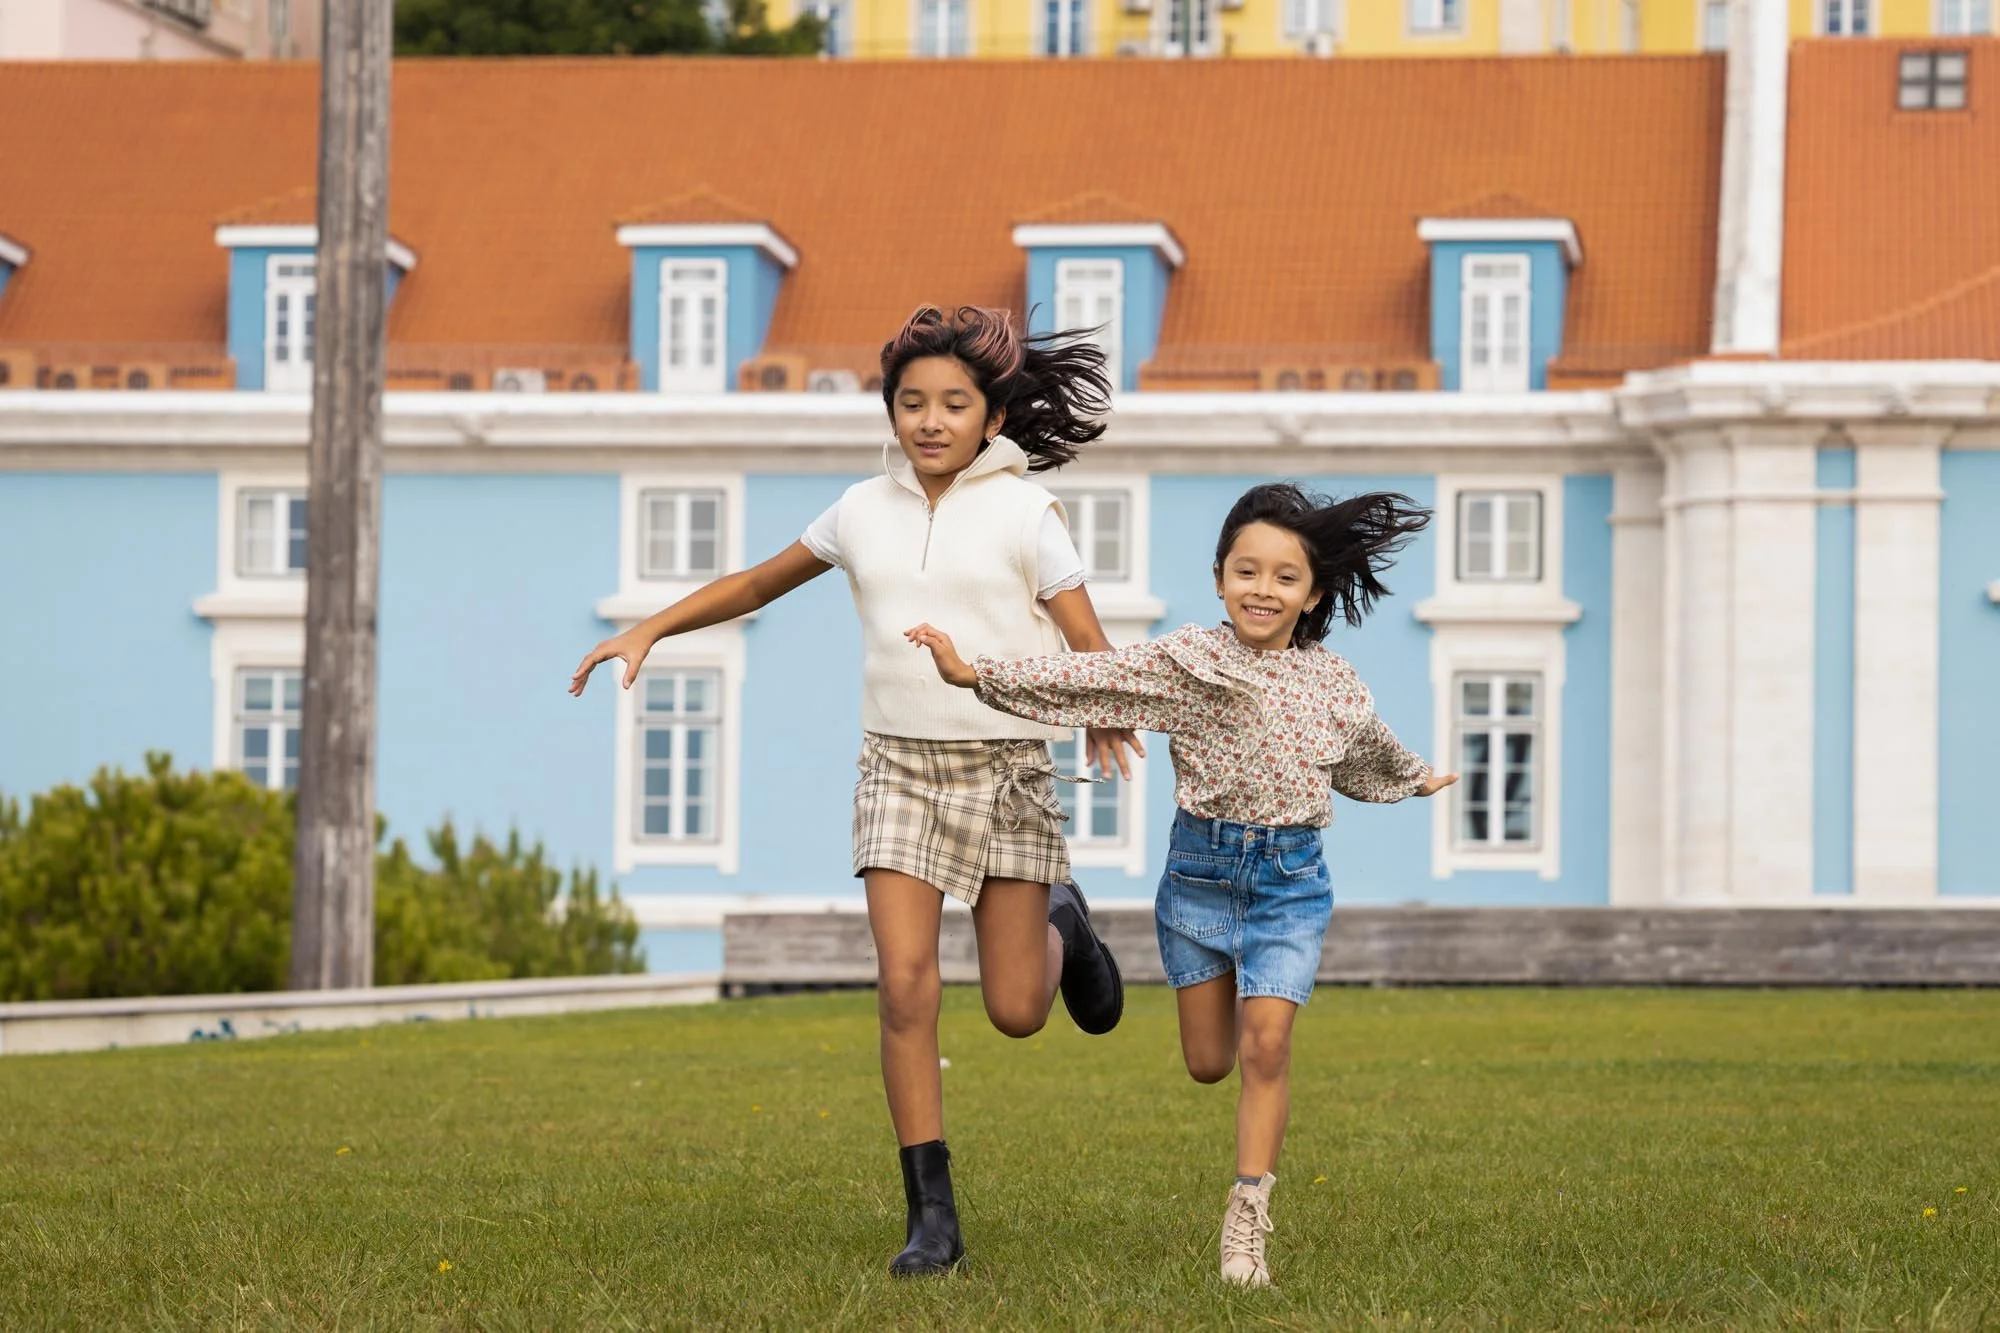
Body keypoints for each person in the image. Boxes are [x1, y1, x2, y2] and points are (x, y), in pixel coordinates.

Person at [569, 305, 1141, 1278]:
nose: (928, 420)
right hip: (897, 769)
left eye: (952, 404)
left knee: (1013, 1009)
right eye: (910, 402)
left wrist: (1100, 704)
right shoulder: (857, 511)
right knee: (904, 985)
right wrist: (650, 628)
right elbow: (757, 583)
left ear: (991, 419)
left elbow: (1084, 632)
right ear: (889, 412)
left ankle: (1064, 929)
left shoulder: (1025, 514)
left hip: (1006, 768)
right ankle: (932, 1217)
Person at [908, 481, 1458, 1288]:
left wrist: (1416, 779)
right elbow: (1093, 680)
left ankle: (1246, 1226)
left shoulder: (1336, 684)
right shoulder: (1189, 661)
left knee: (1265, 1045)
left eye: (1283, 577)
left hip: (1290, 883)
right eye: (1247, 570)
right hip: (1199, 881)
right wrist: (973, 673)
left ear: (1311, 594)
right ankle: (1071, 916)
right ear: (1218, 577)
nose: (1262, 590)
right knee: (1208, 1062)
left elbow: (1370, 748)